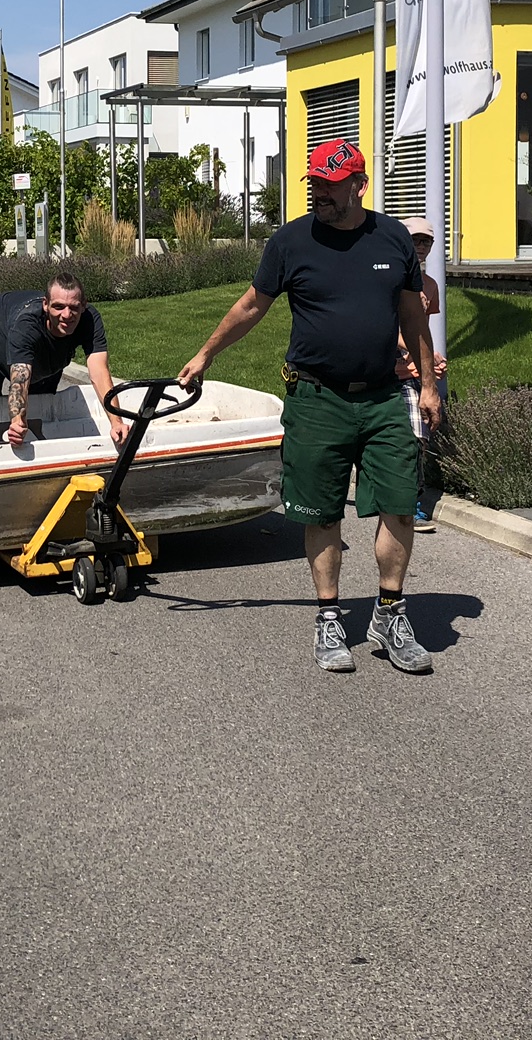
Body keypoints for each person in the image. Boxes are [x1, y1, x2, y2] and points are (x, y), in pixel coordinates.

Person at [176, 140, 441, 674]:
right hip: (317, 398)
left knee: (398, 503)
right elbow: (252, 305)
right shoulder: (291, 242)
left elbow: (413, 316)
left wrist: (429, 386)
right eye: (314, 183)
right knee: (321, 512)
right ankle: (329, 617)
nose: (319, 193)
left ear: (359, 186)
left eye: (330, 185)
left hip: (384, 397)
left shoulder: (392, 238)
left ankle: (390, 612)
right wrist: (206, 353)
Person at [0, 273, 128, 447]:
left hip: (45, 355)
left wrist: (116, 422)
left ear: (84, 305)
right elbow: (20, 380)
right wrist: (17, 422)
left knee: (41, 401)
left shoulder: (90, 320)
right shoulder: (26, 325)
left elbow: (99, 372)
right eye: (58, 307)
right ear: (45, 305)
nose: (67, 315)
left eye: (74, 307)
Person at [396, 216, 449, 527]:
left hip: (411, 375)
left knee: (418, 436)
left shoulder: (430, 285)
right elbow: (386, 327)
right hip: (380, 372)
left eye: (425, 241)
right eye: (414, 240)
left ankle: (410, 503)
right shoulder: (388, 279)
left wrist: (431, 361)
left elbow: (421, 329)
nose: (420, 246)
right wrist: (417, 351)